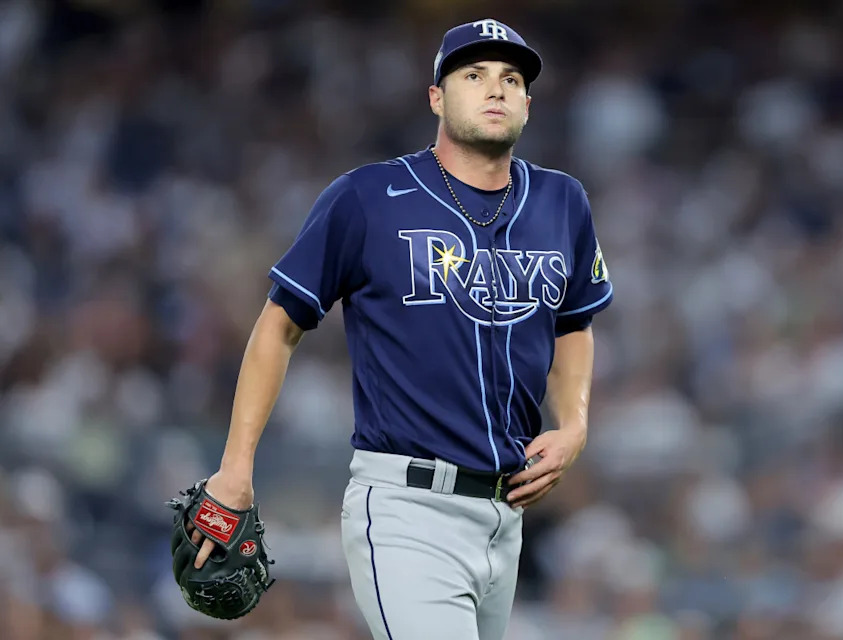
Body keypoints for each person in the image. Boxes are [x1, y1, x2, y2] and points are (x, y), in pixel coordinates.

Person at [185, 17, 613, 640]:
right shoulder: (369, 196)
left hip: (507, 516)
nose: (495, 89)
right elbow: (278, 326)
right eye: (473, 75)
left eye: (510, 78)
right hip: (408, 509)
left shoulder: (562, 201)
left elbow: (575, 321)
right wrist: (234, 468)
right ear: (436, 97)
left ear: (527, 102)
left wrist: (573, 423)